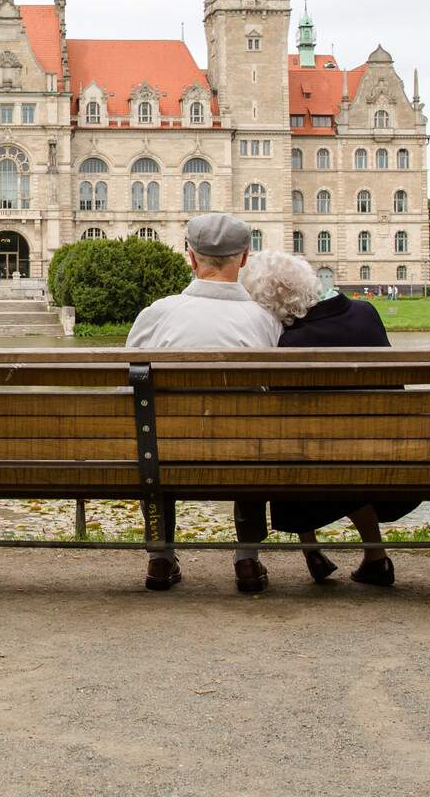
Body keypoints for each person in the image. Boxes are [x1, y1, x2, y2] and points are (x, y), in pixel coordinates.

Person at [239, 250, 413, 589]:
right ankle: (375, 557)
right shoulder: (366, 312)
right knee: (341, 447)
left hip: (322, 462)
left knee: (291, 447)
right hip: (393, 453)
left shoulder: (288, 344)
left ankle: (311, 549)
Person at [126, 213, 280, 592]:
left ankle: (160, 557)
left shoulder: (158, 314)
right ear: (244, 258)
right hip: (244, 453)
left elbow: (127, 386)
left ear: (190, 257)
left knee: (153, 433)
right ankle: (247, 557)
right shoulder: (265, 319)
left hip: (163, 454)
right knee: (253, 429)